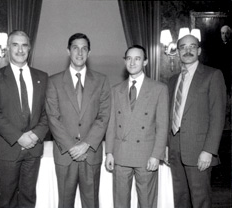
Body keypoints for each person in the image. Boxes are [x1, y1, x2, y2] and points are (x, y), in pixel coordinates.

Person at [45, 33, 111, 208]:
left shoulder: (102, 80)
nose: (80, 52)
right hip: (65, 154)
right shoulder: (53, 81)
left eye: (84, 49)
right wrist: (72, 147)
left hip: (91, 153)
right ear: (68, 51)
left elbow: (104, 116)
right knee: (65, 203)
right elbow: (53, 117)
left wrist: (86, 144)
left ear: (89, 53)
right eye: (75, 48)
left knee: (91, 203)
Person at [0, 30, 48, 208]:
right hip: (8, 149)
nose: (20, 50)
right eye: (15, 45)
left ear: (29, 48)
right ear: (7, 49)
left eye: (24, 45)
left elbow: (48, 112)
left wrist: (35, 135)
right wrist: (19, 137)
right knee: (8, 200)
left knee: (29, 199)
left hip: (33, 149)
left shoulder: (42, 77)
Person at [105, 45, 169, 208]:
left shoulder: (159, 89)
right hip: (121, 154)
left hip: (147, 156)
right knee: (120, 202)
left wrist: (156, 155)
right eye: (129, 58)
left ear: (145, 62)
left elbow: (162, 126)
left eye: (137, 58)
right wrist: (110, 152)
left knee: (147, 202)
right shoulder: (115, 90)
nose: (132, 62)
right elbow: (111, 124)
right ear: (125, 61)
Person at [166, 34, 226, 208]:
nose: (188, 50)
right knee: (180, 199)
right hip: (175, 149)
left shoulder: (212, 75)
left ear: (199, 50)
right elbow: (169, 116)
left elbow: (218, 116)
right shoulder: (172, 81)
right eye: (183, 47)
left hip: (200, 150)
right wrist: (166, 146)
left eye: (192, 46)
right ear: (177, 52)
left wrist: (209, 150)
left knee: (201, 200)